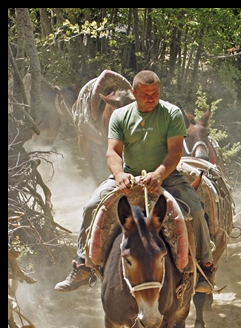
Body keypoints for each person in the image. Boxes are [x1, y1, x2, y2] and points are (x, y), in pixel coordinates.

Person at [56, 70, 214, 292]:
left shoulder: (171, 114)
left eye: (155, 93)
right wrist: (119, 175)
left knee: (195, 209)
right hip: (128, 176)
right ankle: (83, 264)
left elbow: (175, 151)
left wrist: (159, 174)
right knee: (92, 206)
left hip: (167, 177)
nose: (151, 98)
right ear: (134, 92)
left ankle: (205, 267)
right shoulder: (120, 116)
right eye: (145, 94)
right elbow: (112, 152)